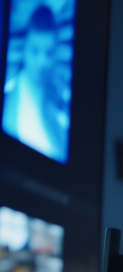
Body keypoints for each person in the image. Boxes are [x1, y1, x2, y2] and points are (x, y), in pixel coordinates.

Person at [1, 4, 68, 163]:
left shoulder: (61, 118)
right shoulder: (6, 101)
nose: (42, 62)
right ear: (24, 48)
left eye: (49, 52)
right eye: (35, 50)